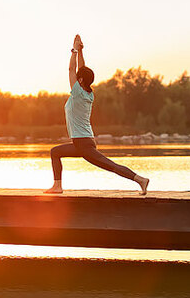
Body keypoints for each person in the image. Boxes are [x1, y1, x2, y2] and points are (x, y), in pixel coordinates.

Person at [44, 34, 150, 195]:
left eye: (78, 78)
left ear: (79, 81)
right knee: (56, 152)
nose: (75, 77)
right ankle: (57, 186)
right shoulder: (88, 93)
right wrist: (80, 51)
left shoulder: (78, 93)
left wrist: (73, 50)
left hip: (83, 143)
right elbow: (81, 70)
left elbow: (72, 69)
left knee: (110, 166)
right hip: (85, 142)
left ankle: (140, 179)